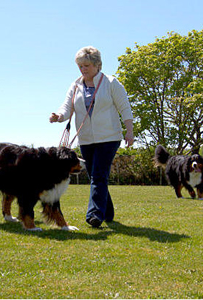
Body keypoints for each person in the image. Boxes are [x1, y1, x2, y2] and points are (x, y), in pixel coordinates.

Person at [49, 46, 134, 228]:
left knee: (98, 175)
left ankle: (94, 215)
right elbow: (67, 107)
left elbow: (125, 108)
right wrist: (58, 116)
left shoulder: (111, 83)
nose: (83, 69)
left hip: (109, 137)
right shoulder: (75, 85)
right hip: (86, 139)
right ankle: (108, 212)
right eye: (80, 66)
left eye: (86, 65)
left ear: (97, 65)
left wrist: (129, 131)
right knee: (97, 176)